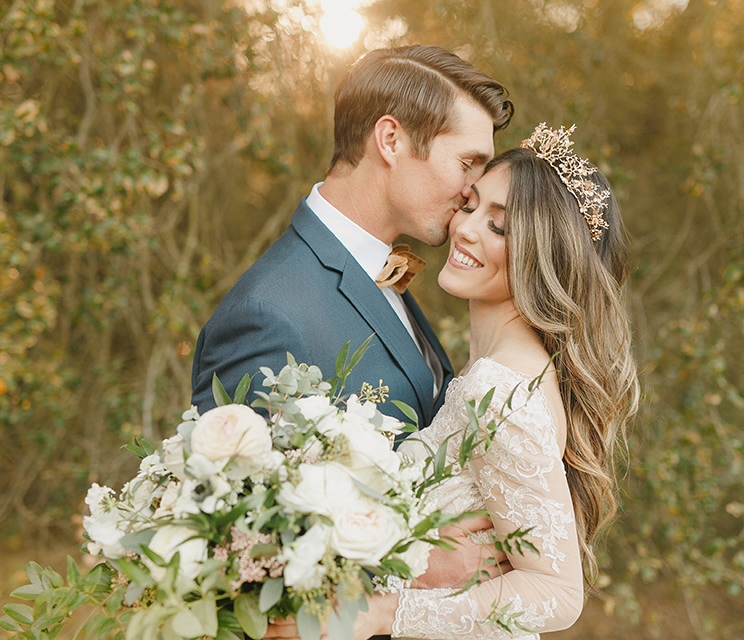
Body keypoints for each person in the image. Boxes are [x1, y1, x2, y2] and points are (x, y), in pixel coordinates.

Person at [265, 123, 640, 640]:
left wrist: (383, 612)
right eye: (471, 206)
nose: (464, 229)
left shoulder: (501, 390)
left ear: (543, 257)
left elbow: (555, 592)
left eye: (500, 227)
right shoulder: (500, 370)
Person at [190, 45, 513, 432]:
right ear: (391, 140)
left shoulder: (384, 271)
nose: (473, 190)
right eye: (467, 164)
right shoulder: (266, 317)